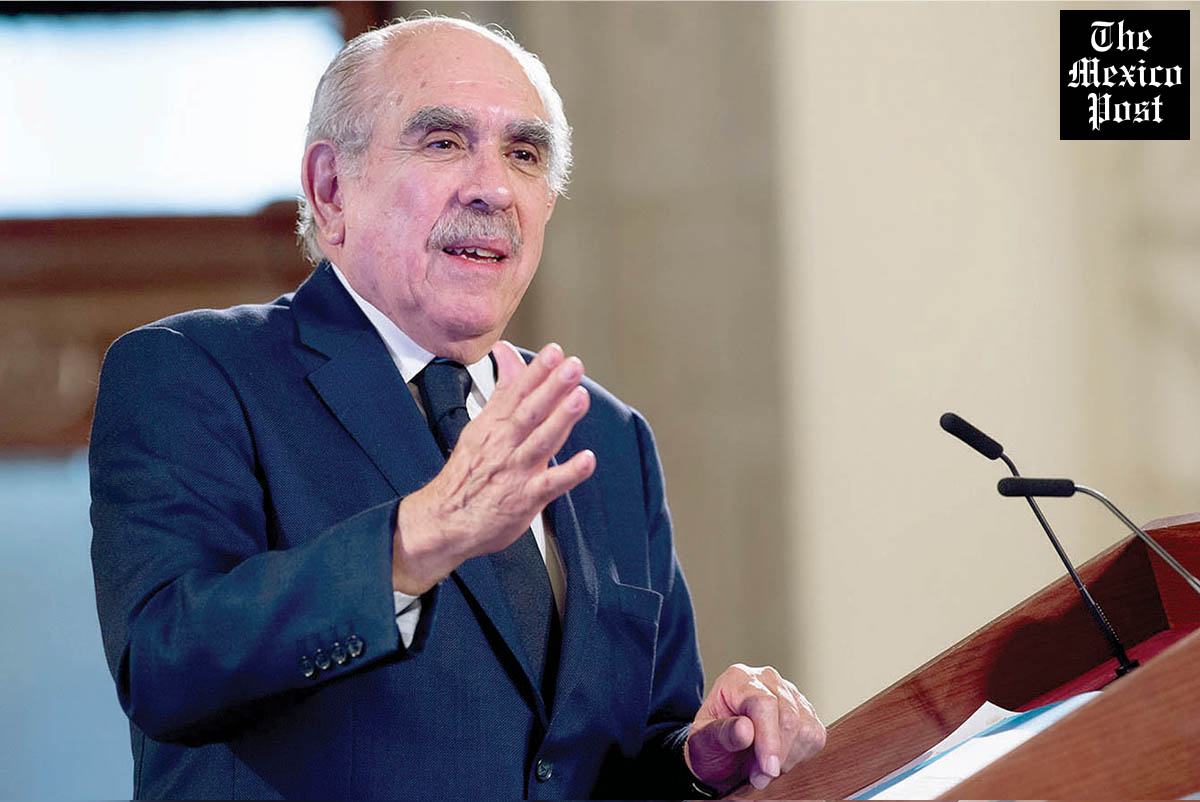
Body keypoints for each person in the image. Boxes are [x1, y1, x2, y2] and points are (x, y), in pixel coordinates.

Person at [90, 16, 825, 799]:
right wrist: (416, 541)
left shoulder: (604, 434)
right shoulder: (195, 372)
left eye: (524, 153)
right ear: (331, 189)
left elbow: (624, 746)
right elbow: (166, 667)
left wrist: (699, 761)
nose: (493, 188)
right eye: (443, 142)